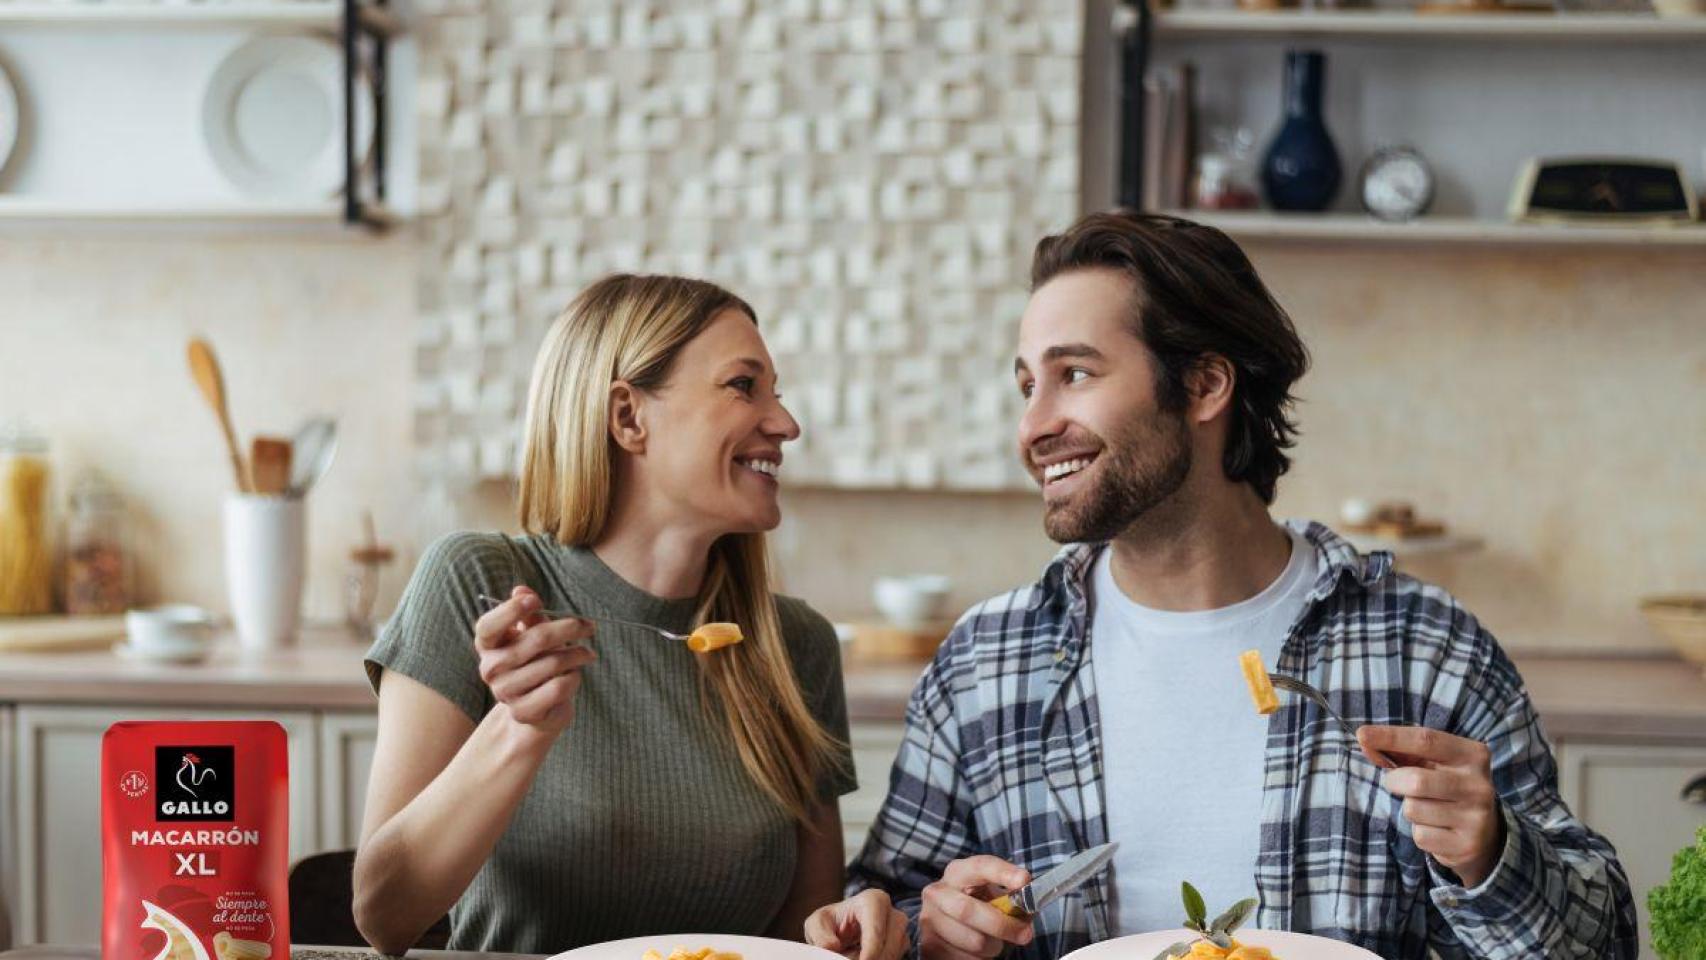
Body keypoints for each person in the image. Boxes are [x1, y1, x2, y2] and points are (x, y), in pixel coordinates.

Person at [845, 212, 1638, 959]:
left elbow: (1602, 944)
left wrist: (1493, 854)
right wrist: (931, 932)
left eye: (1075, 374)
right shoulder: (986, 663)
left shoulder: (1424, 652)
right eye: (1027, 386)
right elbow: (888, 907)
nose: (1032, 426)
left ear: (1204, 387)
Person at [353, 274, 905, 960]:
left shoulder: (797, 646)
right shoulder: (480, 583)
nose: (785, 424)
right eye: (743, 386)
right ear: (627, 417)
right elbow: (383, 915)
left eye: (778, 395)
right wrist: (519, 731)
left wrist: (850, 927)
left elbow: (801, 939)